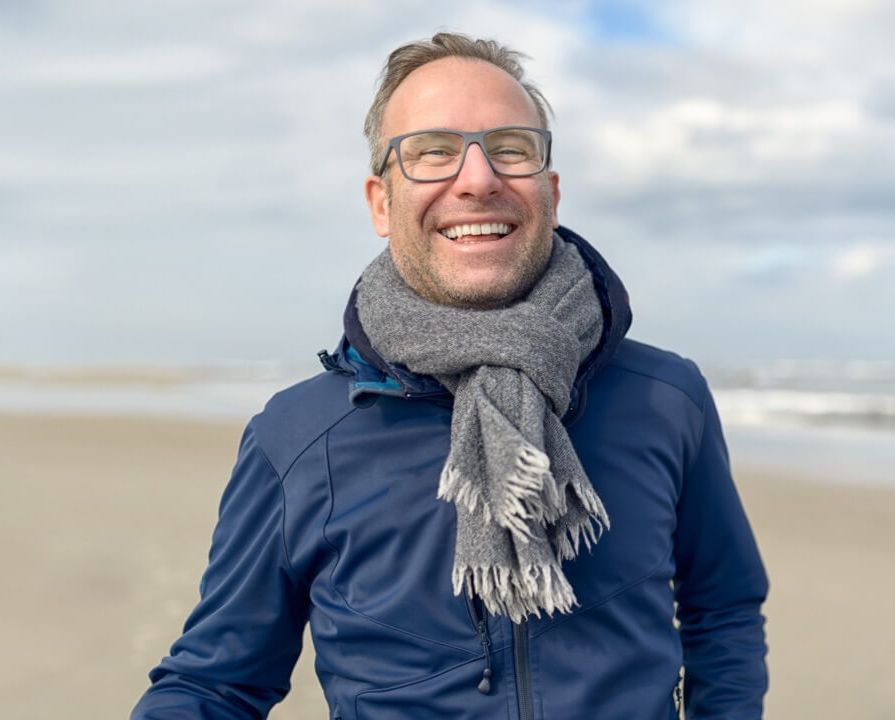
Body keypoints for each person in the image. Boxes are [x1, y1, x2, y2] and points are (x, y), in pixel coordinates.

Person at [131, 32, 768, 719]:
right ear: (381, 202)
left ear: (550, 193)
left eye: (511, 149)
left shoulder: (667, 401)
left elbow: (722, 608)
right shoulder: (298, 438)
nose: (477, 178)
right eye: (433, 151)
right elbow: (214, 685)